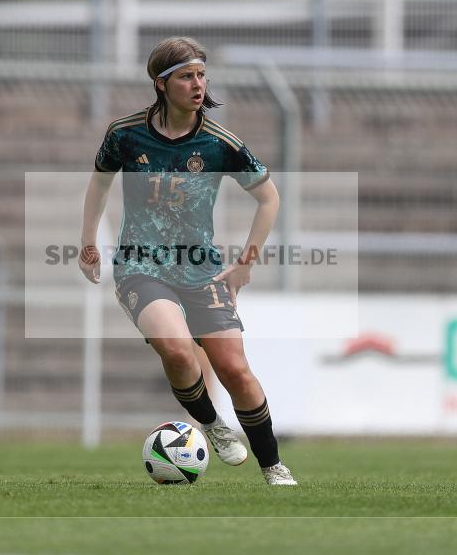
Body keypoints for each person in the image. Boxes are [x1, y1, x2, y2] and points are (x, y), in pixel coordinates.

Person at [79, 36, 296, 486]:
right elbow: (99, 183)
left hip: (200, 267)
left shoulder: (221, 143)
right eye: (186, 77)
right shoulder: (124, 134)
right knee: (176, 347)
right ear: (161, 84)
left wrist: (245, 263)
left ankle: (274, 467)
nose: (197, 85)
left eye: (201, 75)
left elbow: (269, 198)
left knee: (235, 369)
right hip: (141, 264)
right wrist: (87, 241)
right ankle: (213, 425)